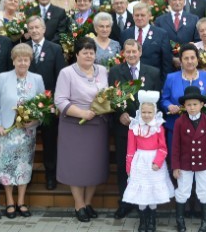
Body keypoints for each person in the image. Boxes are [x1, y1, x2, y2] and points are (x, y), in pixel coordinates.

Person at [54, 37, 110, 222]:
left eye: (91, 52)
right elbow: (60, 100)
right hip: (74, 125)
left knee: (94, 165)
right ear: (76, 54)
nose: (88, 55)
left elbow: (109, 94)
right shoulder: (66, 73)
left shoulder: (102, 70)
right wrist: (82, 113)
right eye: (84, 52)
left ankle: (87, 202)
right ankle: (79, 205)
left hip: (97, 126)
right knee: (76, 166)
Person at [0, 43, 46, 219]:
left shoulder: (37, 79)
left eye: (26, 59)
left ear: (30, 61)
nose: (22, 63)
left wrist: (35, 120)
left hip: (26, 133)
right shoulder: (3, 77)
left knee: (23, 167)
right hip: (5, 132)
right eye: (19, 59)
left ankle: (21, 202)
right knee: (6, 167)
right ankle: (9, 202)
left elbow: (43, 105)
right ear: (13, 61)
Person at [108, 39, 163, 219]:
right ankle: (125, 202)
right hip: (125, 128)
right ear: (123, 53)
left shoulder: (153, 72)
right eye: (127, 51)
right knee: (126, 166)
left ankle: (147, 205)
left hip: (148, 132)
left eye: (134, 51)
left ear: (140, 52)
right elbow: (111, 96)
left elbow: (159, 100)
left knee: (146, 167)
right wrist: (119, 113)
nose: (131, 54)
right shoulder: (115, 71)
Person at [123, 90, 175, 231]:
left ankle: (152, 219)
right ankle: (142, 220)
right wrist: (129, 169)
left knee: (152, 190)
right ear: (140, 112)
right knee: (141, 191)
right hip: (139, 162)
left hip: (154, 163)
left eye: (149, 112)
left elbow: (163, 147)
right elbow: (130, 150)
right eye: (144, 112)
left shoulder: (158, 127)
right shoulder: (134, 127)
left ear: (154, 112)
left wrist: (158, 162)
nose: (146, 115)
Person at [26, 16, 67, 190]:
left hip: (49, 104)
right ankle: (24, 176)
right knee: (26, 142)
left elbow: (61, 76)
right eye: (31, 28)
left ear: (44, 29)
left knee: (50, 142)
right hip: (26, 105)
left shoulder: (55, 49)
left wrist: (56, 102)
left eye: (37, 27)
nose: (34, 31)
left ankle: (51, 176)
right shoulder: (22, 48)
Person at [171, 86, 206, 232]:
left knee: (204, 191)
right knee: (182, 191)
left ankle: (205, 222)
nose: (192, 108)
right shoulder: (180, 122)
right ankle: (180, 221)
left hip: (204, 164)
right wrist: (175, 166)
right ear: (184, 106)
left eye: (195, 104)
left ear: (202, 104)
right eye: (188, 105)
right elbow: (176, 146)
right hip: (185, 164)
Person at [161, 44, 206, 148]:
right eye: (186, 58)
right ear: (180, 61)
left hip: (202, 129)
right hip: (176, 128)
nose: (190, 61)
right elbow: (164, 99)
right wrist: (169, 106)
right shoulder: (171, 78)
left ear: (197, 59)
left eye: (192, 58)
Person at [120, 2, 173, 77]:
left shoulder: (161, 34)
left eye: (143, 15)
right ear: (133, 16)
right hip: (130, 80)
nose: (139, 18)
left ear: (149, 16)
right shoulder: (125, 34)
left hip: (153, 79)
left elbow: (167, 62)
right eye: (137, 15)